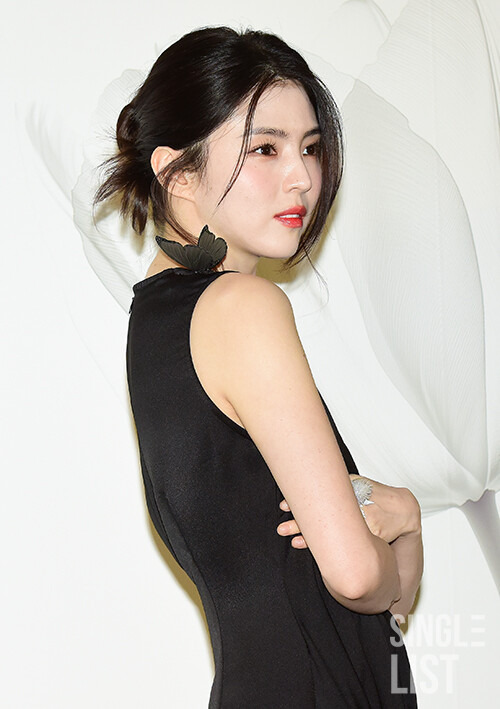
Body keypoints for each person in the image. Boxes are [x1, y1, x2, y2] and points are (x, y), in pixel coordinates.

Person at [95, 25, 423, 708]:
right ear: (178, 173)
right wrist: (404, 529)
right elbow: (361, 580)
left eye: (311, 147)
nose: (302, 175)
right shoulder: (242, 307)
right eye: (265, 148)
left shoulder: (159, 324)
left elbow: (377, 605)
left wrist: (399, 538)